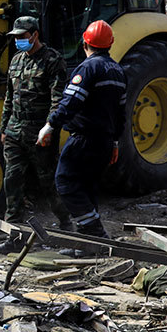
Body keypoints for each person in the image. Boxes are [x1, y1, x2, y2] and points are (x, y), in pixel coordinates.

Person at [38, 20, 126, 238]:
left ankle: (94, 231)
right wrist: (115, 141)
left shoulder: (88, 68)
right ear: (110, 44)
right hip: (105, 141)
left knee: (65, 182)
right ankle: (88, 243)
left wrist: (50, 125)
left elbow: (71, 103)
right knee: (87, 187)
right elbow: (121, 114)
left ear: (85, 43)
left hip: (84, 139)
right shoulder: (118, 71)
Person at [0, 16, 71, 254]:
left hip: (39, 133)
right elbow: (9, 97)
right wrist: (4, 128)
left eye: (22, 36)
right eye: (15, 37)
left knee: (48, 182)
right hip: (15, 131)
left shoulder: (53, 60)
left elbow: (57, 99)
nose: (18, 41)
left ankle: (67, 225)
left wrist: (49, 128)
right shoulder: (16, 60)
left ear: (35, 35)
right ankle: (13, 237)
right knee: (12, 182)